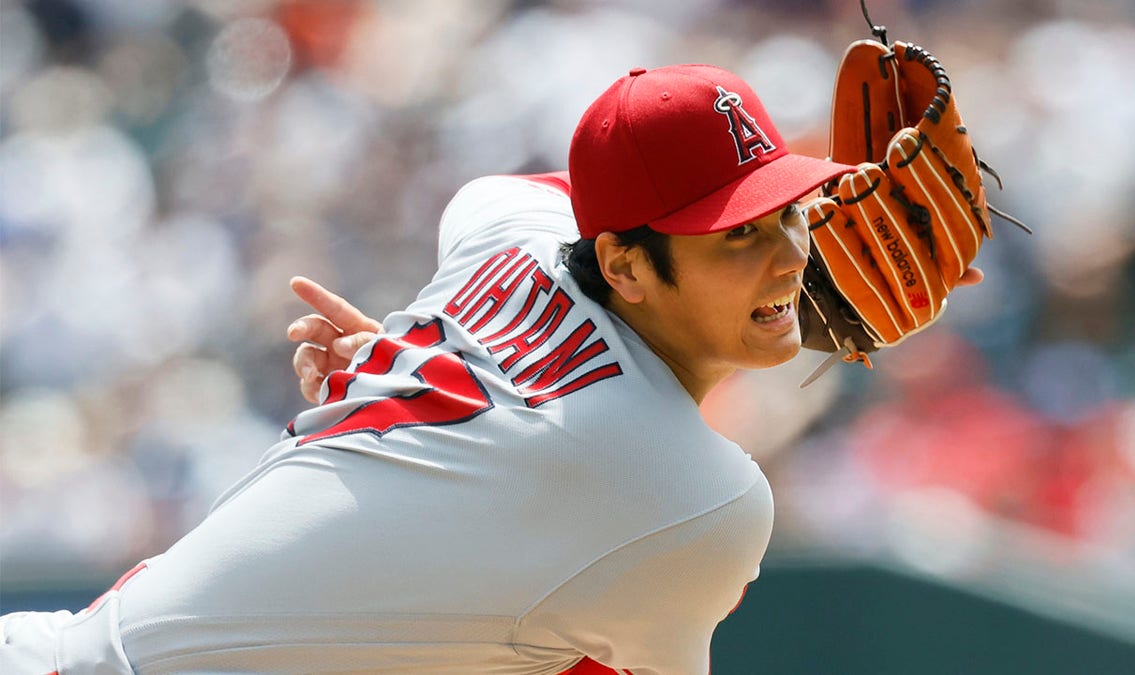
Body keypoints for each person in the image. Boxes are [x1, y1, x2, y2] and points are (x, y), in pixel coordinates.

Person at [0, 63, 974, 674]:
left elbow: (544, 197)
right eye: (734, 237)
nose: (791, 253)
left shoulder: (509, 230)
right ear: (627, 266)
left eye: (788, 213)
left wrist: (425, 357)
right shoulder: (690, 493)